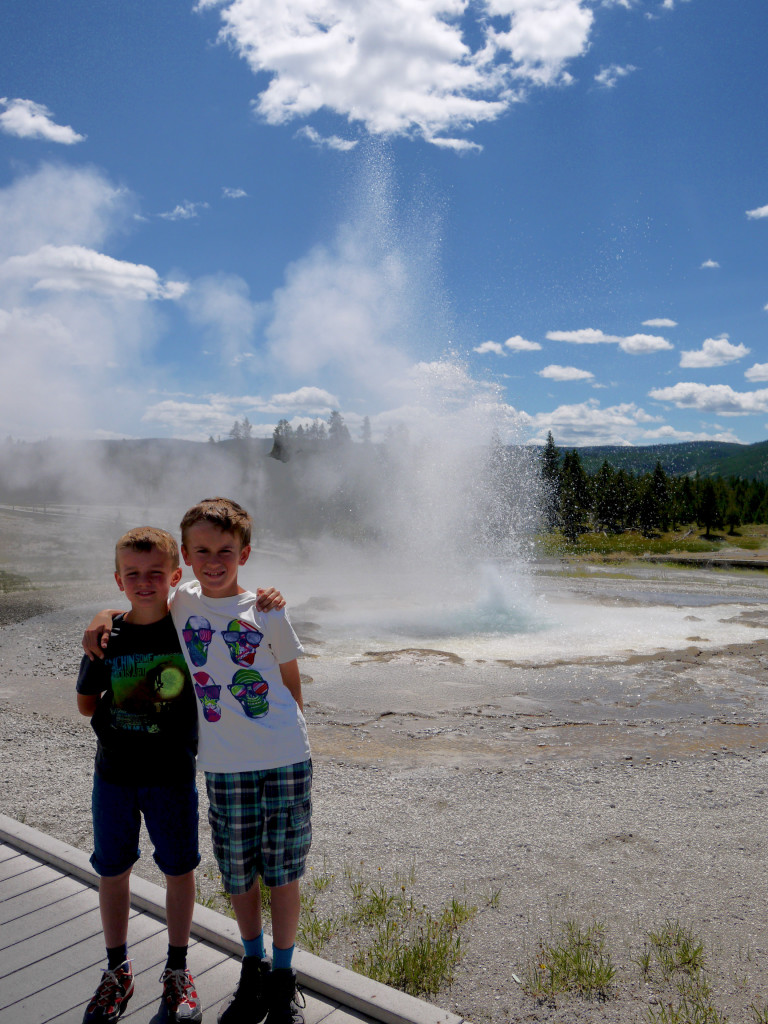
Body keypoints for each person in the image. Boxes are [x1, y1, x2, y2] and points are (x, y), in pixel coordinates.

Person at [84, 499, 309, 1024]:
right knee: (237, 875)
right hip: (224, 764)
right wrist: (99, 618)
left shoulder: (268, 608)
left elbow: (294, 687)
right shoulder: (182, 600)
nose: (214, 560)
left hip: (283, 757)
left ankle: (282, 976)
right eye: (202, 550)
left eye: (225, 551)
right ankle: (252, 969)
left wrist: (283, 734)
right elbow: (134, 600)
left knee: (282, 873)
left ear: (244, 553)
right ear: (187, 558)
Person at [77, 527, 203, 1024]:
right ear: (118, 579)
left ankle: (177, 969)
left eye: (156, 573)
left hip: (172, 774)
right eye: (133, 574)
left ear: (175, 576)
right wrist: (102, 617)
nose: (144, 582)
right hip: (115, 775)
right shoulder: (108, 637)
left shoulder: (190, 630)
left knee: (179, 869)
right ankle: (117, 969)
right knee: (112, 869)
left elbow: (227, 596)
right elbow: (87, 705)